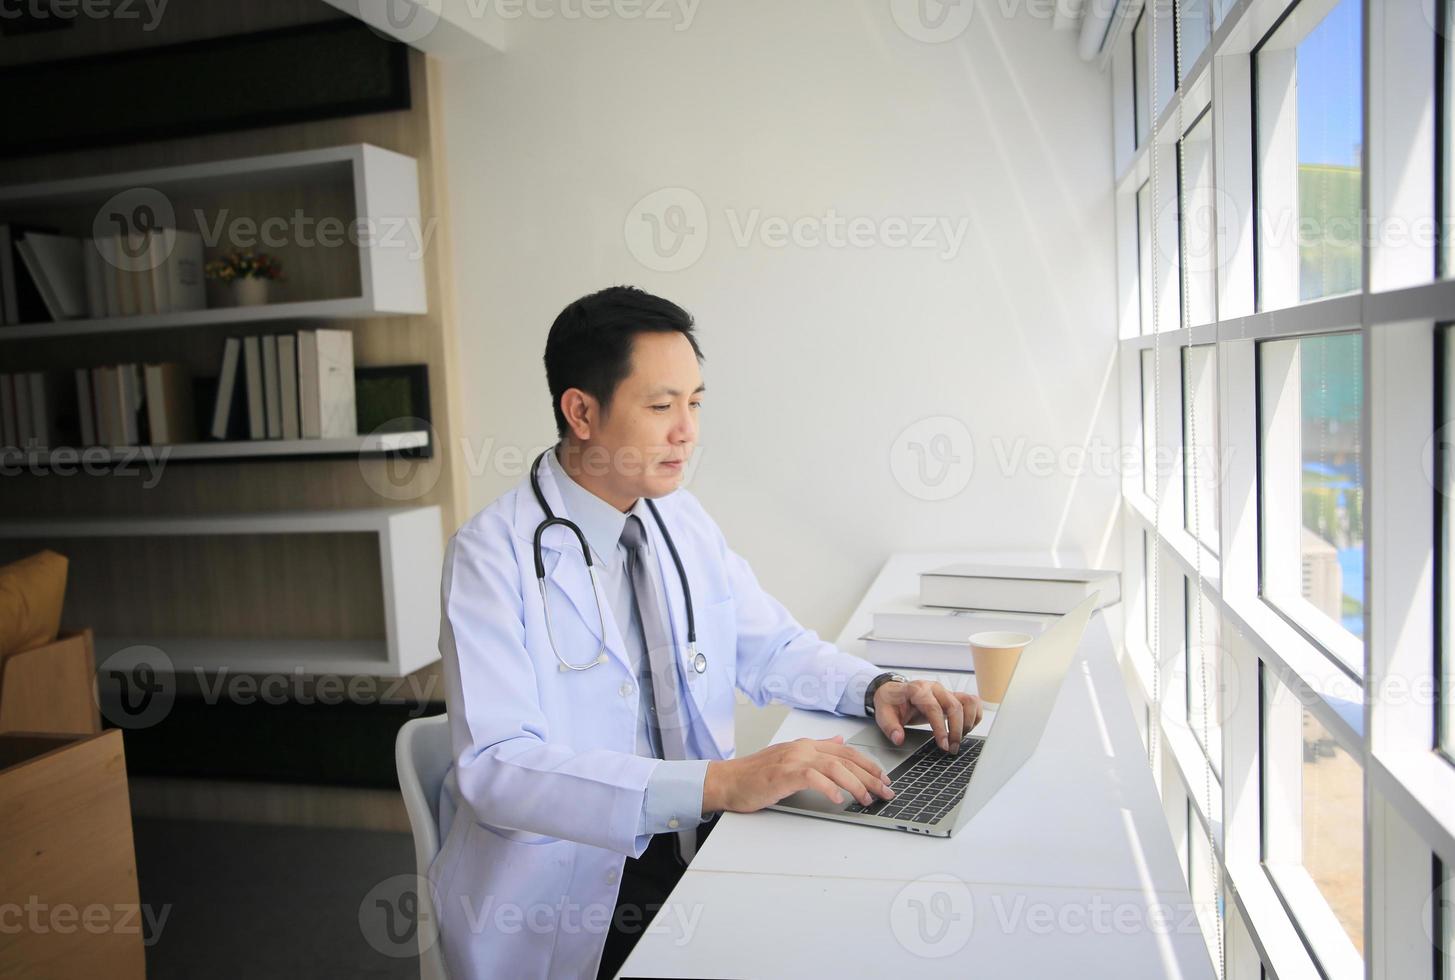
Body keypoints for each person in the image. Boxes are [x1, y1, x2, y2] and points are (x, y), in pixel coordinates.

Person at [431, 285, 983, 979]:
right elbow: (496, 769)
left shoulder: (678, 518)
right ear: (581, 411)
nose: (686, 430)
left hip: (697, 852)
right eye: (661, 406)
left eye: (694, 403)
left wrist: (875, 688)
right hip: (567, 895)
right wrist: (719, 783)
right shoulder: (490, 555)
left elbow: (770, 646)